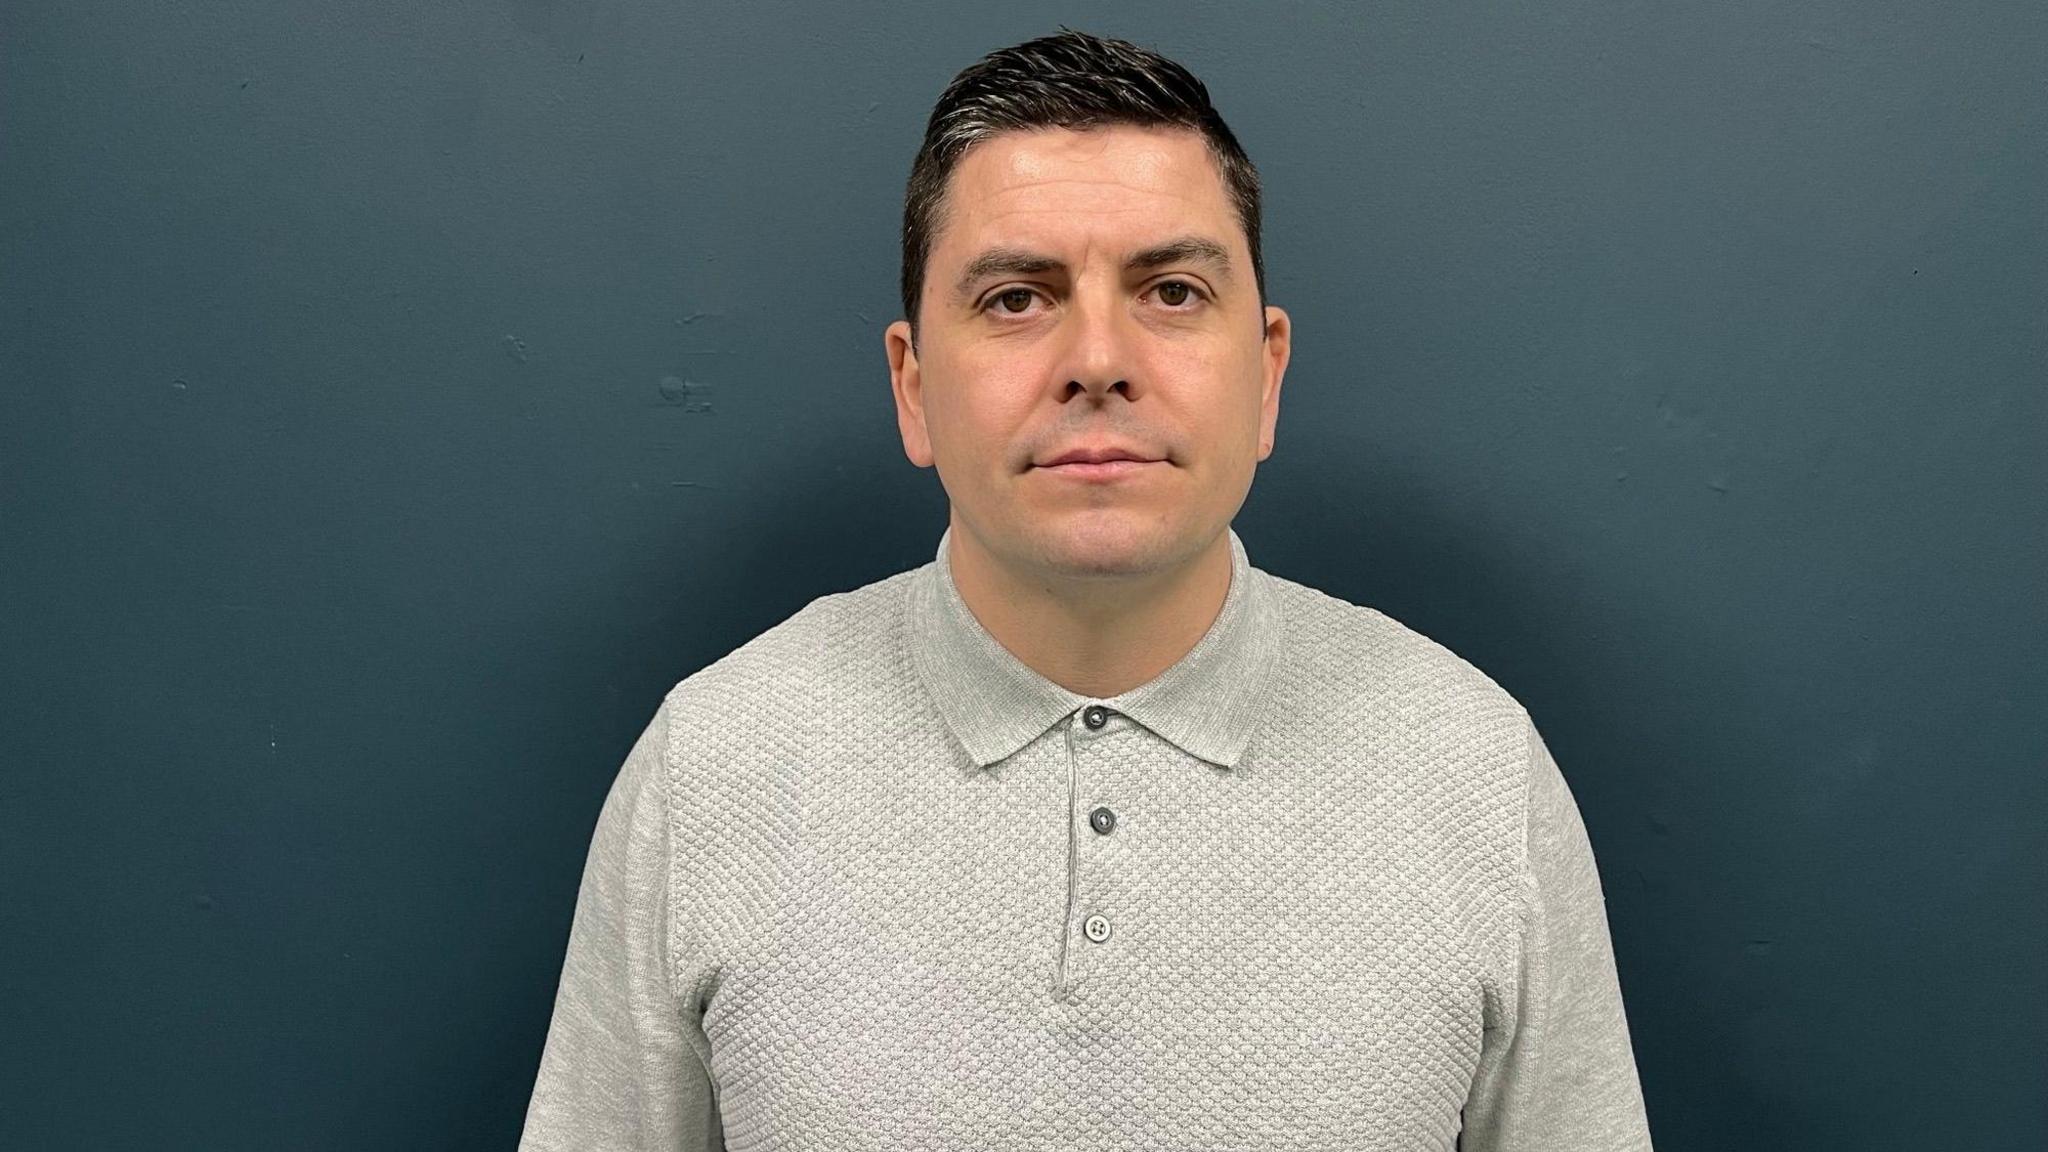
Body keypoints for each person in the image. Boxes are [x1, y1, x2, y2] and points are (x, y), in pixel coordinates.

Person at [519, 27, 1654, 1151]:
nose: (1097, 357)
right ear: (912, 388)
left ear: (1265, 375)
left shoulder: (1471, 769)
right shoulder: (709, 766)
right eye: (1016, 298)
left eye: (1169, 290)